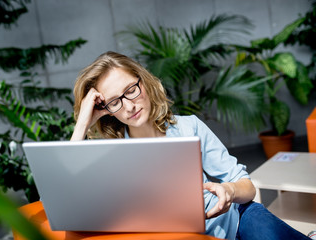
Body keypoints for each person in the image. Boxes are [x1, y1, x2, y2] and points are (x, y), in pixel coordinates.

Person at [71, 51, 310, 240]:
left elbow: (247, 186)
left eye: (131, 91)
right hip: (183, 236)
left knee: (265, 230)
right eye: (115, 101)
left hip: (236, 222)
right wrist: (83, 122)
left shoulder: (189, 128)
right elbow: (71, 201)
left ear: (144, 83)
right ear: (106, 110)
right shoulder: (111, 153)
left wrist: (229, 190)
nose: (129, 106)